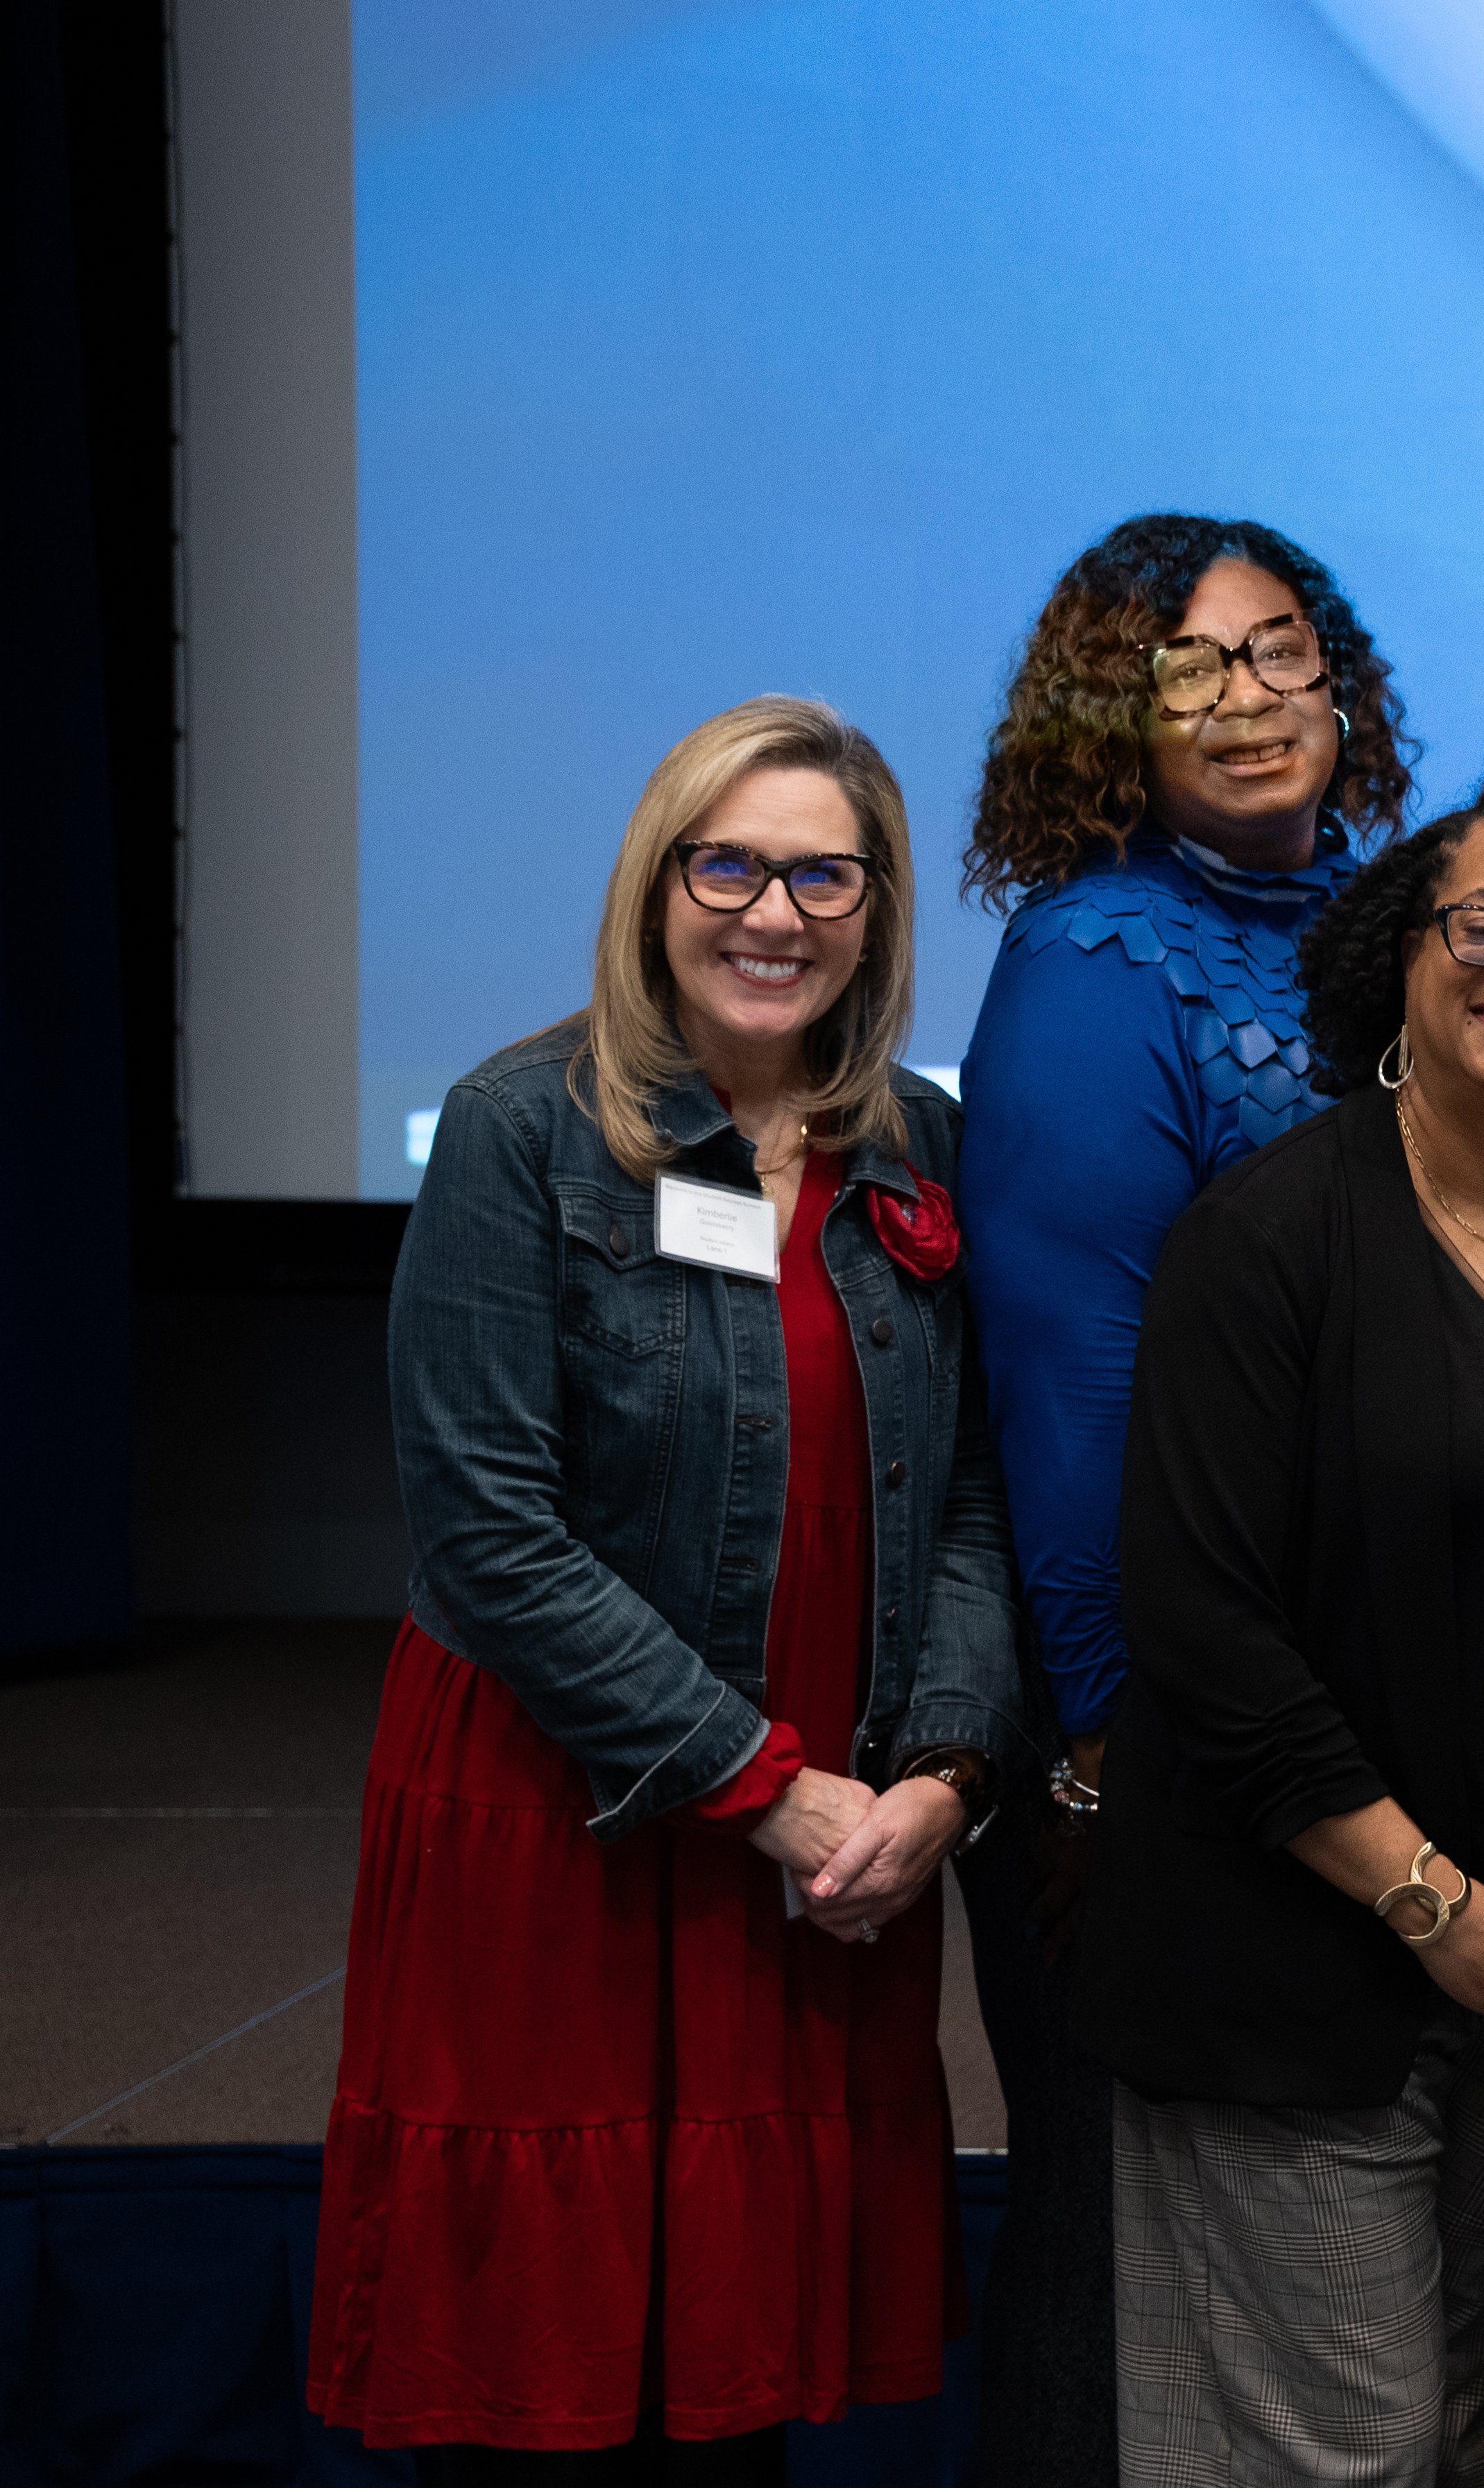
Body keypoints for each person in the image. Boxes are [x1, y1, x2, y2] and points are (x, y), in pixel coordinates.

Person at [312, 698, 1028, 2481]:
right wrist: (765, 1788)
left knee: (737, 2394)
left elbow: (968, 1506)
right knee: (556, 2395)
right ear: (657, 884)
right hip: (570, 1822)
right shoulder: (516, 1128)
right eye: (728, 863)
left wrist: (940, 1773)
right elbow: (486, 1527)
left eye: (821, 873)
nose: (770, 912)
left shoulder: (919, 1154)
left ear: (875, 911)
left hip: (834, 1846)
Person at [1070, 735, 1484, 2485]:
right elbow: (1203, 1621)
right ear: (1401, 945)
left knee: (1475, 2431)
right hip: (1296, 1974)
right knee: (1339, 2459)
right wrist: (1432, 1900)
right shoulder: (1273, 1235)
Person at [953, 511, 1413, 2483]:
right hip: (1152, 1738)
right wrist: (1097, 1757)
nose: (1249, 701)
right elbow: (1072, 1397)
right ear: (1105, 719)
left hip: (1338, 1705)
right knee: (1117, 2279)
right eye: (1191, 667)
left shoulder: (1391, 925)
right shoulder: (1090, 964)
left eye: (1283, 651)